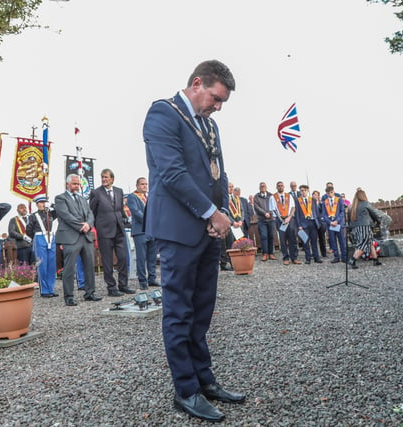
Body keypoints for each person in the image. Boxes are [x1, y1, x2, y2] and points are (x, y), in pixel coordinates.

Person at [143, 59, 244, 422]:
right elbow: (172, 172)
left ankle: (205, 380)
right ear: (197, 83)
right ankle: (185, 390)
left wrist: (223, 212)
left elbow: (218, 173)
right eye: (216, 99)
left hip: (207, 230)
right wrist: (210, 213)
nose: (218, 107)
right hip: (177, 231)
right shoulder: (163, 114)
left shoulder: (209, 126)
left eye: (222, 103)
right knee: (179, 313)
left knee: (201, 311)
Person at [54, 174, 101, 306]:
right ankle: (69, 296)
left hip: (85, 237)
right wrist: (82, 226)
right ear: (67, 184)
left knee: (89, 266)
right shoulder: (60, 198)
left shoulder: (82, 199)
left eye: (78, 184)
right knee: (69, 268)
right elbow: (66, 215)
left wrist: (89, 224)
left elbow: (90, 214)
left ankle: (90, 292)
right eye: (74, 184)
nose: (77, 186)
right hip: (70, 237)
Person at [89, 168, 135, 297]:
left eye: (106, 177)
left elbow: (120, 209)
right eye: (102, 177)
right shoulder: (96, 193)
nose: (104, 179)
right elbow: (92, 212)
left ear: (112, 179)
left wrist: (123, 221)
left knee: (122, 257)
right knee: (108, 261)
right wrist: (95, 227)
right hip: (104, 231)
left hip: (119, 229)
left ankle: (123, 284)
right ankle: (111, 287)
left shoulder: (119, 191)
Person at [126, 177, 159, 290]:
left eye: (146, 184)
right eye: (142, 184)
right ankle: (142, 281)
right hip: (140, 230)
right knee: (141, 257)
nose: (144, 186)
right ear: (137, 186)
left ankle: (152, 278)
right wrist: (149, 221)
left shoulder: (149, 197)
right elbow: (135, 212)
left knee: (152, 256)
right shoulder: (132, 197)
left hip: (152, 231)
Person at [26, 195, 58, 298]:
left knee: (51, 265)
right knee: (42, 265)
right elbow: (29, 230)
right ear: (37, 204)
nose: (43, 204)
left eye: (45, 202)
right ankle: (44, 290)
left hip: (51, 238)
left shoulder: (51, 213)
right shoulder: (33, 216)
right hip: (40, 238)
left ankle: (51, 288)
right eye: (41, 202)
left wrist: (52, 205)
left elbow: (60, 209)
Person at [347, 189, 382, 268]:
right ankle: (352, 260)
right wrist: (378, 221)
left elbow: (349, 219)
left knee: (369, 242)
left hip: (355, 228)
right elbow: (374, 213)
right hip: (364, 227)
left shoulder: (352, 206)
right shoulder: (365, 204)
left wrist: (350, 229)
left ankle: (375, 260)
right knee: (364, 244)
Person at [271, 181, 300, 265]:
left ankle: (294, 257)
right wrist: (281, 219)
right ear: (276, 187)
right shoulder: (273, 197)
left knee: (293, 238)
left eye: (281, 186)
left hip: (289, 219)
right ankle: (285, 258)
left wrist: (289, 217)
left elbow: (293, 207)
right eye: (278, 186)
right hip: (280, 220)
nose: (280, 187)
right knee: (283, 240)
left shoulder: (289, 196)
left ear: (284, 187)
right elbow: (273, 209)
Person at [295, 185, 322, 264]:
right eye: (301, 191)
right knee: (305, 241)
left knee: (314, 241)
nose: (303, 192)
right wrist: (299, 225)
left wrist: (318, 222)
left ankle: (317, 257)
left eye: (304, 190)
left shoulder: (312, 199)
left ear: (307, 191)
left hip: (313, 222)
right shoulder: (298, 200)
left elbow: (316, 211)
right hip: (303, 224)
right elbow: (297, 214)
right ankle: (308, 258)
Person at [253, 182, 277, 261]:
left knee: (271, 236)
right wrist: (264, 213)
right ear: (259, 188)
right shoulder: (256, 197)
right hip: (262, 220)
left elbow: (274, 205)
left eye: (264, 186)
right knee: (263, 236)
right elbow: (256, 207)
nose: (263, 187)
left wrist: (269, 213)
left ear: (266, 187)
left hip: (271, 219)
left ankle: (271, 253)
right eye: (261, 186)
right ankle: (265, 253)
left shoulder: (271, 195)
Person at [323, 186, 347, 263]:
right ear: (326, 193)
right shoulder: (324, 202)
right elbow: (324, 214)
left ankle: (344, 256)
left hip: (338, 224)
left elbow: (342, 211)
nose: (330, 194)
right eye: (328, 193)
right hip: (330, 225)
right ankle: (336, 256)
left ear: (334, 192)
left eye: (331, 192)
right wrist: (330, 222)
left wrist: (337, 220)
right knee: (333, 241)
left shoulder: (339, 200)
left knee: (342, 241)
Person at [312, 190, 328, 258]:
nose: (315, 196)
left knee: (322, 238)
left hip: (321, 223)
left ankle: (323, 253)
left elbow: (324, 212)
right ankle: (314, 253)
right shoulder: (310, 203)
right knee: (313, 239)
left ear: (318, 196)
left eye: (316, 195)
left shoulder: (321, 203)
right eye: (314, 194)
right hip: (313, 222)